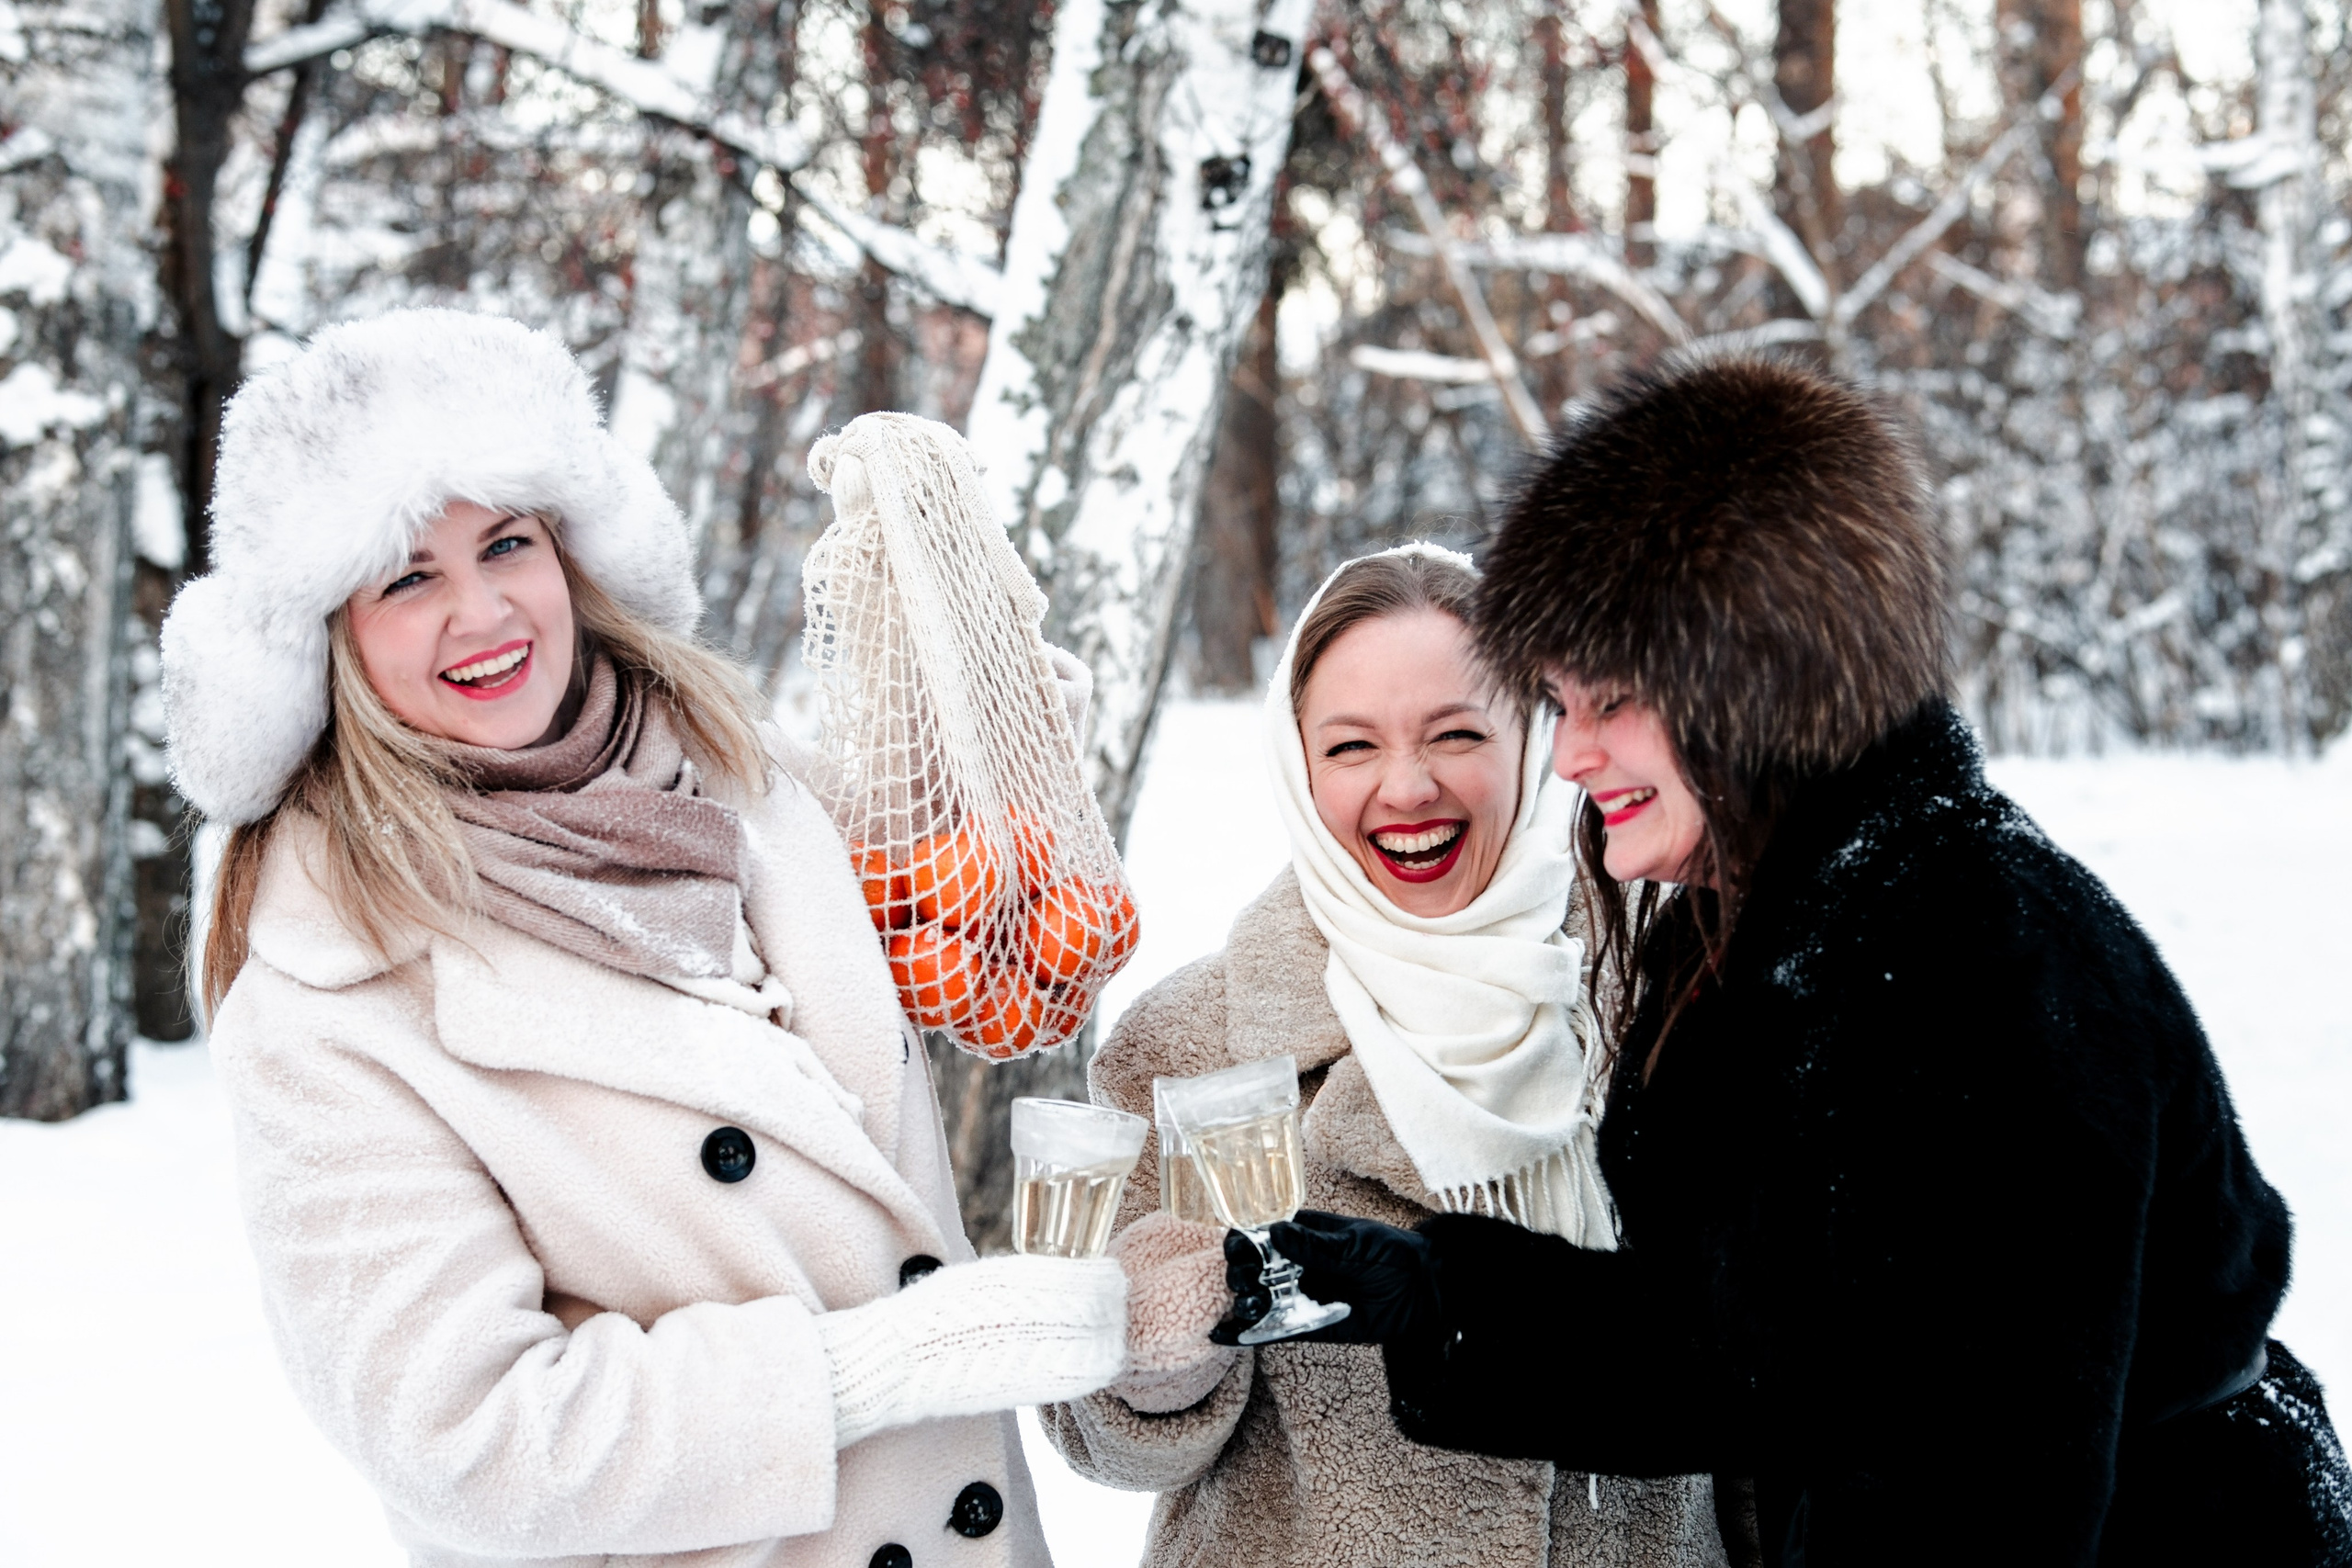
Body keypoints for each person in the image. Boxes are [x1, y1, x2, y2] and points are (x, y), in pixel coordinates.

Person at [1234, 357, 2352, 1566]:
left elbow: (1981, 1487)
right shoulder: (1776, 917)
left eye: (1609, 702)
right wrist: (1442, 1296)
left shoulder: (1963, 952)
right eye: (1557, 705)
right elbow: (1761, 1337)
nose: (1572, 757)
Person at [165, 308, 1127, 1568]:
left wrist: (969, 658)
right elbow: (472, 1438)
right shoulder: (326, 992)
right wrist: (873, 1363)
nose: (481, 609)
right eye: (408, 575)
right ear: (328, 639)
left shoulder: (740, 776)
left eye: (506, 541)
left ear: (571, 550)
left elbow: (975, 926)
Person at [1038, 546, 1731, 1567]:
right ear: (1295, 760)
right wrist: (1152, 1363)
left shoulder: (1675, 1001)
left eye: (1457, 733)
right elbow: (1101, 1440)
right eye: (1350, 747)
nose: (1407, 788)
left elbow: (1773, 1380)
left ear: (1537, 743)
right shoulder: (1193, 1041)